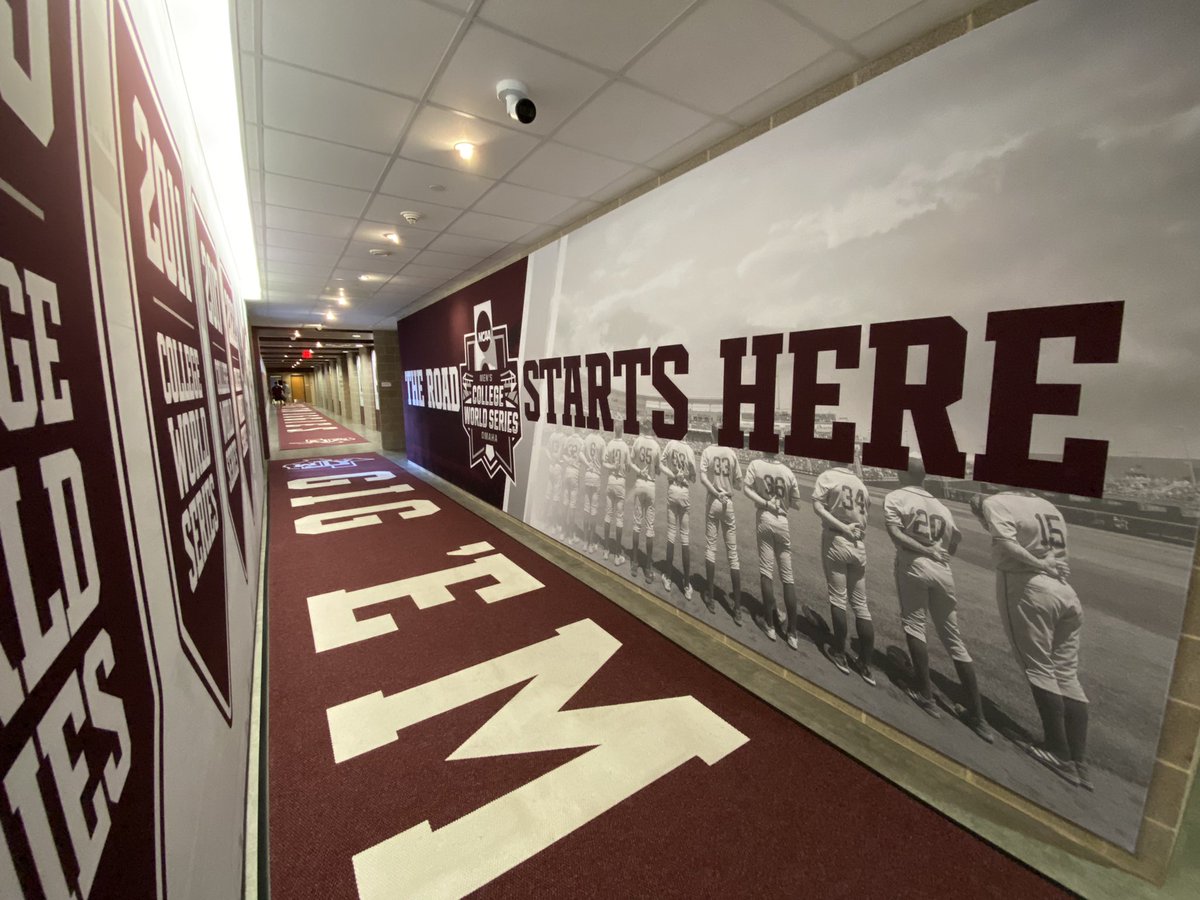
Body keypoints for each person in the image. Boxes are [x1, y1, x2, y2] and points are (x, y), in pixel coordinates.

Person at [971, 489, 1091, 790]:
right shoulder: (1049, 505)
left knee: (1038, 667)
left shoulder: (998, 501)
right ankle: (1078, 759)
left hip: (1029, 587)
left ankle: (1057, 752)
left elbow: (1007, 545)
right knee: (1067, 674)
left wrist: (1040, 566)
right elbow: (1056, 552)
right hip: (1065, 590)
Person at [884, 459, 994, 743]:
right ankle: (978, 717)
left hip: (914, 564)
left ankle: (925, 694)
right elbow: (955, 541)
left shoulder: (897, 496)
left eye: (899, 470)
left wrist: (924, 550)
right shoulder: (942, 506)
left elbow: (896, 534)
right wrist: (941, 554)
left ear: (904, 474)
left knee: (914, 625)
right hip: (943, 571)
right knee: (954, 639)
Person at [812, 462, 874, 684]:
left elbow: (817, 505)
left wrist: (842, 525)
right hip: (858, 544)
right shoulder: (861, 484)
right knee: (861, 605)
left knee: (838, 599)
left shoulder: (828, 476)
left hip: (837, 537)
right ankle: (866, 664)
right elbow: (867, 512)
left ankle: (840, 652)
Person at [744, 450, 801, 645]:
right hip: (782, 520)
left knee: (766, 571)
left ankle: (769, 624)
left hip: (765, 516)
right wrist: (782, 502)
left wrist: (766, 502)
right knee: (788, 577)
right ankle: (792, 633)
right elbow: (797, 504)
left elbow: (746, 489)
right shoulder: (787, 471)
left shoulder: (756, 465)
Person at [699, 425, 743, 619]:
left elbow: (702, 478)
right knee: (733, 553)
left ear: (711, 434)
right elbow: (738, 484)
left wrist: (716, 491)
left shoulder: (708, 451)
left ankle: (709, 596)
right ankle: (738, 609)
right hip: (728, 503)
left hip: (713, 500)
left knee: (711, 548)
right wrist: (726, 490)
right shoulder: (732, 453)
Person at [660, 435, 698, 599]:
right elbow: (694, 478)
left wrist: (673, 475)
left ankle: (668, 578)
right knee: (685, 538)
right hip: (683, 492)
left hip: (672, 489)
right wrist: (685, 475)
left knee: (670, 534)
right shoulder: (688, 449)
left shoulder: (670, 444)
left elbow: (660, 464)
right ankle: (687, 584)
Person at [629, 426, 662, 585]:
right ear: (652, 431)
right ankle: (648, 568)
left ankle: (634, 562)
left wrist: (639, 470)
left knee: (636, 525)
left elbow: (630, 461)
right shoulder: (656, 445)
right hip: (650, 485)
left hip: (639, 483)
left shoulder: (637, 441)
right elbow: (658, 470)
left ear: (644, 428)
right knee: (649, 528)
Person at [602, 424, 631, 565]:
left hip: (610, 480)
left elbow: (604, 463)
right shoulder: (625, 446)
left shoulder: (610, 444)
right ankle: (618, 554)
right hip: (620, 482)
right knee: (619, 518)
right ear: (622, 431)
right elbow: (629, 465)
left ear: (614, 431)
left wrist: (612, 466)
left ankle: (606, 549)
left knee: (608, 515)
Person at [581, 430, 607, 553]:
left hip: (587, 475)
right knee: (593, 511)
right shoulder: (601, 441)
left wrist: (587, 463)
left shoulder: (587, 438)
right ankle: (591, 543)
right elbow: (603, 460)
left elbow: (580, 454)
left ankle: (585, 542)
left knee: (586, 509)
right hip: (596, 476)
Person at [561, 429, 584, 545]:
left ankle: (563, 531)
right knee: (572, 505)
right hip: (575, 472)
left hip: (567, 471)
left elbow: (563, 454)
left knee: (565, 502)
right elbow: (583, 457)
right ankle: (570, 535)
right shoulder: (581, 441)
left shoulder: (569, 439)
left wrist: (568, 460)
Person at [543, 427, 566, 537]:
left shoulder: (552, 435)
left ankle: (546, 521)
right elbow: (561, 453)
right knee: (556, 497)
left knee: (548, 494)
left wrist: (550, 458)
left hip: (551, 466)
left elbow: (547, 449)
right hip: (558, 466)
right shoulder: (563, 437)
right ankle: (552, 523)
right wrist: (557, 458)